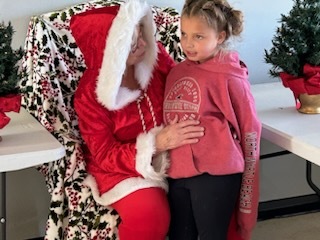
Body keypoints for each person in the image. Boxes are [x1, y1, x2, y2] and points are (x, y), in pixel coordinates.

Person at [69, 0, 204, 240]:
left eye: (142, 33)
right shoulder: (89, 96)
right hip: (123, 169)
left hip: (176, 149)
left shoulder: (155, 58)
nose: (143, 44)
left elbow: (187, 82)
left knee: (216, 185)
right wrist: (154, 145)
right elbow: (104, 154)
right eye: (132, 43)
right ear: (112, 53)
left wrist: (224, 72)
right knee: (149, 213)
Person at [163, 0, 261, 240]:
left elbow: (250, 130)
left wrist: (249, 199)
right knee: (179, 235)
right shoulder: (176, 72)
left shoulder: (231, 77)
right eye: (184, 34)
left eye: (198, 36)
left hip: (217, 174)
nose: (187, 43)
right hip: (177, 172)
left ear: (220, 37)